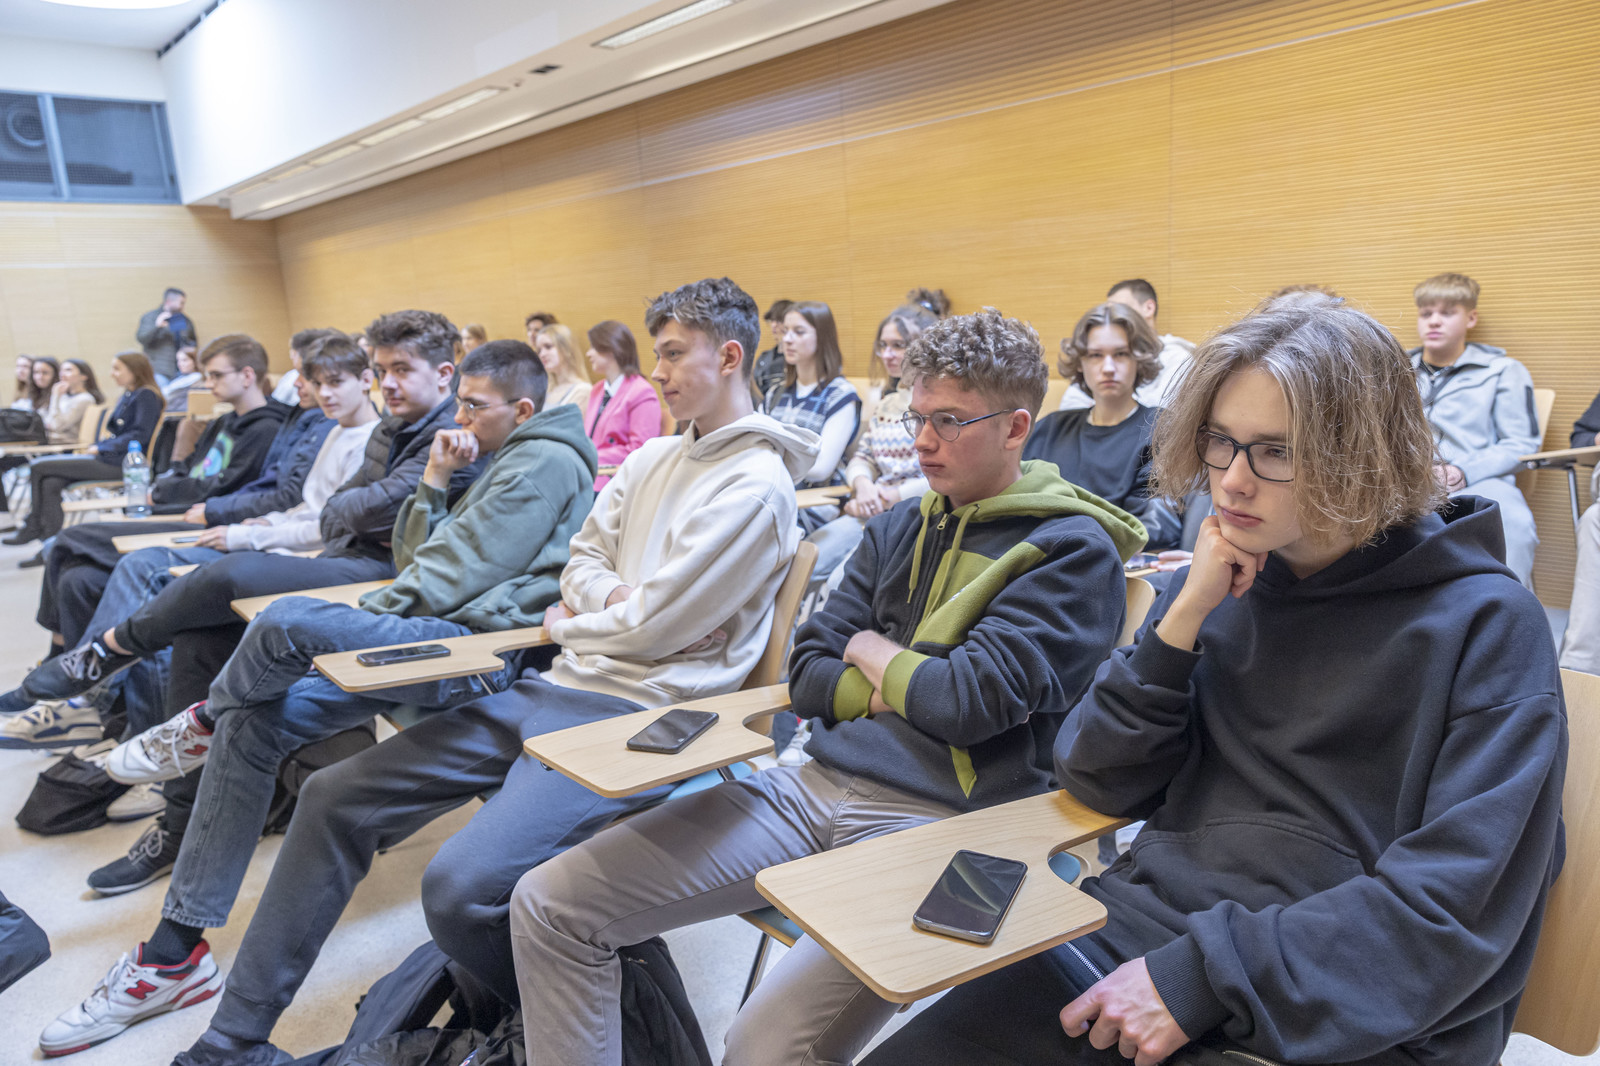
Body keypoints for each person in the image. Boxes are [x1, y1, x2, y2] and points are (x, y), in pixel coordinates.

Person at [860, 295, 1566, 1066]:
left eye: (1275, 451)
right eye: (1221, 443)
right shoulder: (1219, 582)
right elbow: (1095, 778)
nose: (1231, 481)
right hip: (1146, 939)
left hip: (1347, 1003)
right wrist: (1181, 623)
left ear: (1365, 452)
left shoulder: (1488, 625)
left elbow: (1455, 906)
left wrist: (1199, 979)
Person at [156, 278, 816, 1066]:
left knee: (458, 889)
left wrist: (582, 619)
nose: (659, 370)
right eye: (658, 353)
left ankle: (581, 1023)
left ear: (730, 356)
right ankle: (231, 1041)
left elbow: (655, 626)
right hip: (563, 684)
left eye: (674, 354)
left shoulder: (757, 484)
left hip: (642, 716)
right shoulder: (653, 457)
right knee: (334, 797)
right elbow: (585, 563)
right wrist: (614, 603)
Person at [511, 308, 1145, 1066]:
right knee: (550, 904)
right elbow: (808, 672)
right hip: (811, 782)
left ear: (1015, 428)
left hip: (942, 823)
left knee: (761, 1049)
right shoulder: (898, 527)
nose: (922, 441)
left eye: (948, 421)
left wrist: (869, 648)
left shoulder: (1071, 550)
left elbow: (967, 704)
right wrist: (901, 679)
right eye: (917, 418)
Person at [40, 339, 601, 1060]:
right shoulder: (494, 456)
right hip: (434, 631)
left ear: (522, 409)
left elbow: (448, 580)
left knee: (283, 623)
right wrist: (434, 478)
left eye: (473, 405)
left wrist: (366, 612)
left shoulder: (543, 460)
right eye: (459, 402)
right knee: (253, 726)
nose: (459, 418)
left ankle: (202, 720)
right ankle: (174, 954)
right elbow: (415, 556)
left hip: (473, 652)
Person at [0, 369, 337, 751]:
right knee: (79, 579)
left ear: (247, 375)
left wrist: (224, 516)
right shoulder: (282, 423)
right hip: (236, 518)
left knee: (95, 551)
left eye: (215, 374)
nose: (207, 384)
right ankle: (97, 708)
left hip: (232, 522)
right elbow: (270, 494)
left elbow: (290, 502)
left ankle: (82, 692)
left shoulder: (288, 426)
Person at [1409, 272, 1541, 588]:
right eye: (1426, 313)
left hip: (1478, 477)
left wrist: (1462, 471)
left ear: (1471, 318)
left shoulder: (1503, 370)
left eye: (1447, 313)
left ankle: (1508, 608)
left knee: (1515, 525)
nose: (1434, 321)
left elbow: (1521, 444)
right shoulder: (1395, 369)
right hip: (1408, 476)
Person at [1026, 302, 1182, 550]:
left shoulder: (1160, 428)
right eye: (1095, 355)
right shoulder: (1049, 429)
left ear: (1138, 359)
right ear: (1080, 363)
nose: (1108, 368)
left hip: (1118, 563)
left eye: (1121, 354)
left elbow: (1153, 528)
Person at [805, 303, 937, 584]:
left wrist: (891, 496)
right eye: (883, 346)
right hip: (874, 507)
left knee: (840, 582)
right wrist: (863, 486)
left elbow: (946, 471)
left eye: (898, 345)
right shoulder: (888, 403)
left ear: (923, 347)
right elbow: (863, 457)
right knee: (803, 561)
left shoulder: (938, 404)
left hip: (917, 512)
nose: (887, 354)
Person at [5, 353, 162, 556]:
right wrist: (101, 445)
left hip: (121, 463)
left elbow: (140, 434)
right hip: (108, 456)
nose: (112, 374)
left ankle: (33, 525)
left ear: (135, 370)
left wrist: (102, 448)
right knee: (50, 482)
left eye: (117, 369)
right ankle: (49, 546)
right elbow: (118, 432)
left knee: (38, 466)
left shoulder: (146, 395)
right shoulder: (130, 394)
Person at [765, 300, 862, 530]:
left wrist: (768, 459)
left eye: (799, 332)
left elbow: (820, 468)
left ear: (822, 338)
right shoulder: (774, 393)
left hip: (817, 503)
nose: (787, 339)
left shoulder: (840, 394)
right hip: (774, 495)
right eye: (785, 331)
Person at [1061, 279, 1193, 410]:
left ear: (1149, 308)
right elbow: (1071, 405)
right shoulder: (1095, 350)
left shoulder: (1178, 357)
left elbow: (1165, 415)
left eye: (1121, 354)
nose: (1112, 317)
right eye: (1096, 355)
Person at [582, 319, 661, 488]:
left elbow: (640, 450)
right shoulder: (597, 390)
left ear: (611, 348)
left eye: (593, 347)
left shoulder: (642, 392)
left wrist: (590, 457)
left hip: (616, 482)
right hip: (589, 475)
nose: (588, 354)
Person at [136, 288, 196, 383]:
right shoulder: (151, 317)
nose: (182, 307)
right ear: (168, 301)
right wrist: (157, 327)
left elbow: (192, 343)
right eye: (181, 303)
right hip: (158, 369)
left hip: (180, 371)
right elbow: (142, 338)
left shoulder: (183, 320)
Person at [535, 323, 590, 409]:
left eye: (548, 347)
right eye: (539, 350)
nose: (542, 354)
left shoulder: (583, 390)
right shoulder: (546, 390)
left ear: (566, 349)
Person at [751, 298, 793, 400]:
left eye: (779, 320)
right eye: (772, 320)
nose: (773, 325)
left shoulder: (795, 358)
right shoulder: (763, 358)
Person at [161, 347, 203, 412]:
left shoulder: (196, 377)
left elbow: (168, 394)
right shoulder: (182, 377)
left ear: (195, 361)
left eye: (184, 360)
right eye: (178, 360)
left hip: (176, 413)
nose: (180, 364)